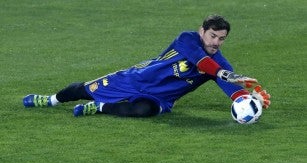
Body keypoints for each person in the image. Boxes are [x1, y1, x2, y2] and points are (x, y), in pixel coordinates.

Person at [23, 15, 271, 117]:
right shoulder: (187, 39)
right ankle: (51, 99)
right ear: (202, 31)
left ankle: (98, 108)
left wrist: (248, 100)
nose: (216, 43)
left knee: (143, 111)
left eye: (221, 39)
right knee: (82, 88)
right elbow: (201, 62)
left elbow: (229, 85)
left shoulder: (218, 62)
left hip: (160, 98)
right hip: (134, 79)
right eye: (213, 36)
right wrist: (225, 73)